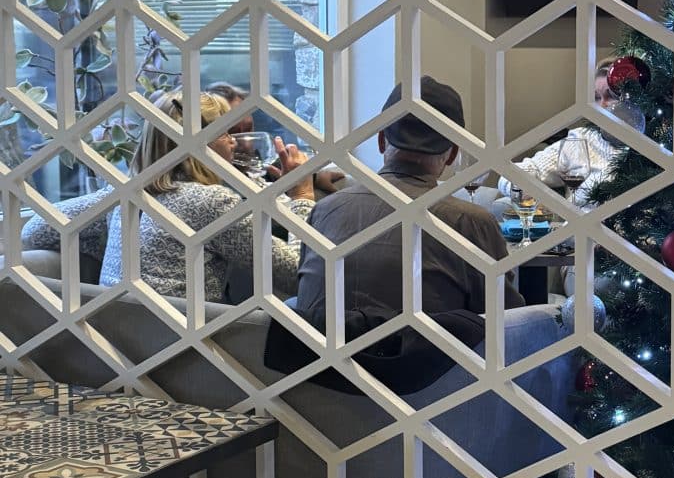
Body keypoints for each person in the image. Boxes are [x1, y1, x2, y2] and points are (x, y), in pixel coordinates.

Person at [21, 91, 316, 302]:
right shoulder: (212, 202)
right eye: (225, 132)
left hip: (115, 343)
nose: (232, 142)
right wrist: (302, 195)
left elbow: (36, 228)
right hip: (190, 345)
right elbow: (299, 276)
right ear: (199, 142)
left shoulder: (123, 195)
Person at [296, 76, 524, 320]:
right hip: (425, 345)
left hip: (325, 344)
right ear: (452, 154)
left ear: (381, 140)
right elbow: (505, 315)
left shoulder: (323, 211)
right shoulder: (470, 223)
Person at [497, 57, 620, 208]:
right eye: (596, 98)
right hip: (580, 222)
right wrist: (521, 190)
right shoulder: (581, 139)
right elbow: (511, 175)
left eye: (612, 96)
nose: (602, 105)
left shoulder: (647, 145)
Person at [206, 79, 345, 193]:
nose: (247, 145)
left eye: (248, 128)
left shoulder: (264, 166)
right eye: (233, 132)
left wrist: (315, 177)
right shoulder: (213, 190)